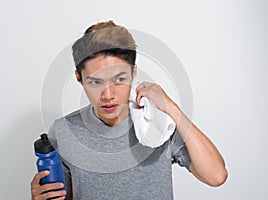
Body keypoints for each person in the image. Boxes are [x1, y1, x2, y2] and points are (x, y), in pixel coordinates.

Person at [31, 20, 228, 200]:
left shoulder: (157, 121)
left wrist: (172, 108)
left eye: (119, 80)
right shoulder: (64, 131)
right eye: (95, 82)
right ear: (79, 77)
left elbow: (216, 176)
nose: (108, 95)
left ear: (133, 72)